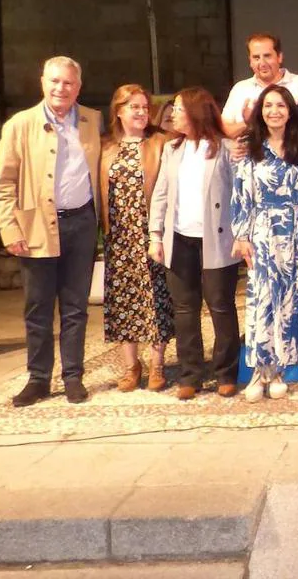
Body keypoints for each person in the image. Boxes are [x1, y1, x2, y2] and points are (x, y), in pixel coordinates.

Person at [0, 56, 102, 407]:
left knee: (75, 306)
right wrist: (10, 229)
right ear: (42, 83)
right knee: (38, 307)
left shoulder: (91, 120)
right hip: (37, 225)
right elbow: (3, 184)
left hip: (81, 223)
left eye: (68, 83)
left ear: (78, 87)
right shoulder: (19, 125)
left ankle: (73, 376)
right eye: (54, 81)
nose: (61, 88)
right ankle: (38, 378)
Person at [149, 88, 242, 401]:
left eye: (177, 108)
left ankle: (226, 373)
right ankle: (191, 374)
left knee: (221, 306)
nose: (172, 114)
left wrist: (242, 234)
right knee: (185, 309)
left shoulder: (226, 148)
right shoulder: (172, 149)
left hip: (217, 239)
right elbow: (161, 193)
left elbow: (239, 196)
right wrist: (156, 235)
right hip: (180, 239)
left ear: (195, 112)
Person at [232, 86, 298, 402]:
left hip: (294, 236)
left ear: (290, 111)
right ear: (260, 111)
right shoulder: (250, 147)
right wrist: (241, 237)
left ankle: (277, 370)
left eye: (280, 105)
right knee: (261, 303)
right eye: (268, 106)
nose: (274, 111)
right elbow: (240, 195)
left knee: (287, 303)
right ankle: (258, 372)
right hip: (263, 234)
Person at [98, 84, 174, 392]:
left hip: (151, 233)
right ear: (119, 111)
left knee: (156, 299)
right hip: (118, 237)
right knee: (122, 302)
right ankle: (132, 366)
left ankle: (157, 365)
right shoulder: (104, 147)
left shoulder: (160, 142)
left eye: (145, 107)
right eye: (135, 107)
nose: (142, 112)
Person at [221, 33, 298, 138]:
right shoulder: (240, 89)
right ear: (250, 61)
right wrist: (248, 123)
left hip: (291, 153)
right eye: (256, 58)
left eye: (267, 56)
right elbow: (224, 130)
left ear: (279, 57)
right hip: (249, 153)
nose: (262, 63)